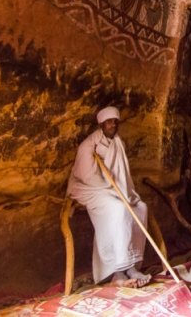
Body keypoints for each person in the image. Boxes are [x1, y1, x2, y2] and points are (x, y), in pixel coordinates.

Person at [67, 106, 151, 287]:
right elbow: (87, 176)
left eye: (116, 121)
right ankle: (118, 271)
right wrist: (112, 191)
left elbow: (122, 174)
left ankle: (132, 265)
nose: (113, 124)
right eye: (109, 121)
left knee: (140, 207)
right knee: (119, 209)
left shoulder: (117, 142)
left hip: (114, 188)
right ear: (101, 124)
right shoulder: (88, 145)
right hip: (90, 188)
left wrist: (122, 192)